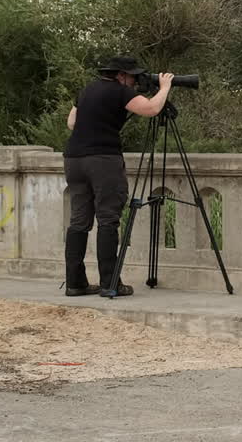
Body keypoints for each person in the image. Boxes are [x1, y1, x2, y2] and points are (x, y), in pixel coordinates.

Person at [63, 55, 173, 297]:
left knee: (79, 221)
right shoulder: (119, 92)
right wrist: (164, 88)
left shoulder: (87, 90)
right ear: (121, 75)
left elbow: (72, 122)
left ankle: (75, 283)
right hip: (103, 160)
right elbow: (152, 109)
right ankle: (110, 283)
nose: (134, 81)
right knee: (108, 219)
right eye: (132, 76)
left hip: (73, 160)